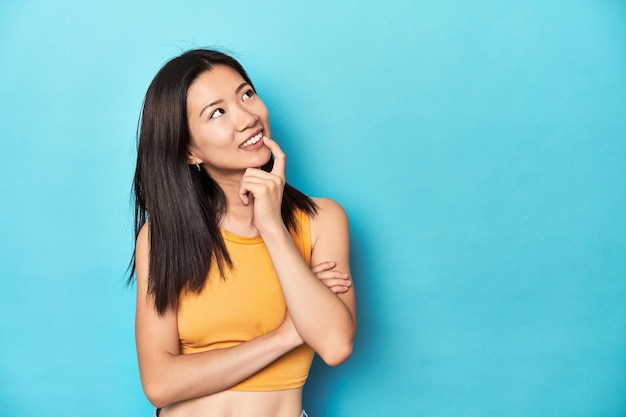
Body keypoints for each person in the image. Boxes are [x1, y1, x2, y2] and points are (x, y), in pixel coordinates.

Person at [129, 49, 356, 417]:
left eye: (246, 94)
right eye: (217, 112)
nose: (247, 118)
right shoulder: (163, 237)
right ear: (189, 150)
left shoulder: (321, 219)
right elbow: (159, 383)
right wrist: (287, 334)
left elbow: (334, 344)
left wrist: (271, 226)